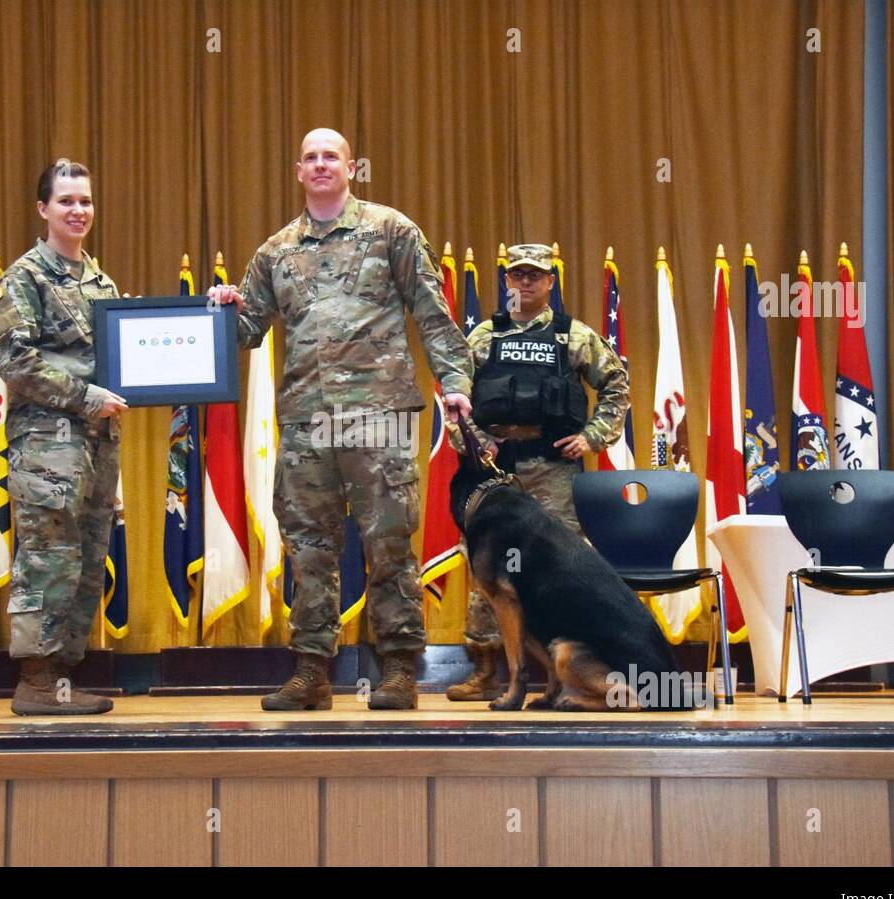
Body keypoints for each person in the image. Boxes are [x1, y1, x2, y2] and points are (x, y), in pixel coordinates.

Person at [210, 128, 474, 711]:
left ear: (351, 167)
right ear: (298, 171)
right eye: (311, 158)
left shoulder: (391, 230)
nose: (321, 164)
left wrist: (454, 384)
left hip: (378, 417)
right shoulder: (275, 251)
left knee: (389, 545)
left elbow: (433, 315)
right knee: (308, 549)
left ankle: (401, 669)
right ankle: (311, 672)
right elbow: (245, 332)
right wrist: (221, 310)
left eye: (332, 156)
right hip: (307, 421)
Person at [446, 243, 630, 701]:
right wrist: (473, 441)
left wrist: (593, 435)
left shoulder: (572, 336)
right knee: (487, 567)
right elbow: (453, 399)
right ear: (507, 280)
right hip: (494, 471)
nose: (525, 282)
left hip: (551, 469)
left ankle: (562, 666)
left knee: (556, 568)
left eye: (535, 275)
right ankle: (487, 667)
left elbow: (617, 386)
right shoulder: (484, 337)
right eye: (517, 275)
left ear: (551, 281)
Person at [0, 159, 128, 716]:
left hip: (97, 442)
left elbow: (121, 357)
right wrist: (85, 396)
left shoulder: (101, 281)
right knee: (47, 556)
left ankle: (63, 676)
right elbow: (12, 360)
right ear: (43, 208)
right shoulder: (24, 277)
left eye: (86, 201)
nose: (78, 211)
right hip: (46, 442)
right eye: (66, 201)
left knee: (87, 553)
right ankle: (36, 680)